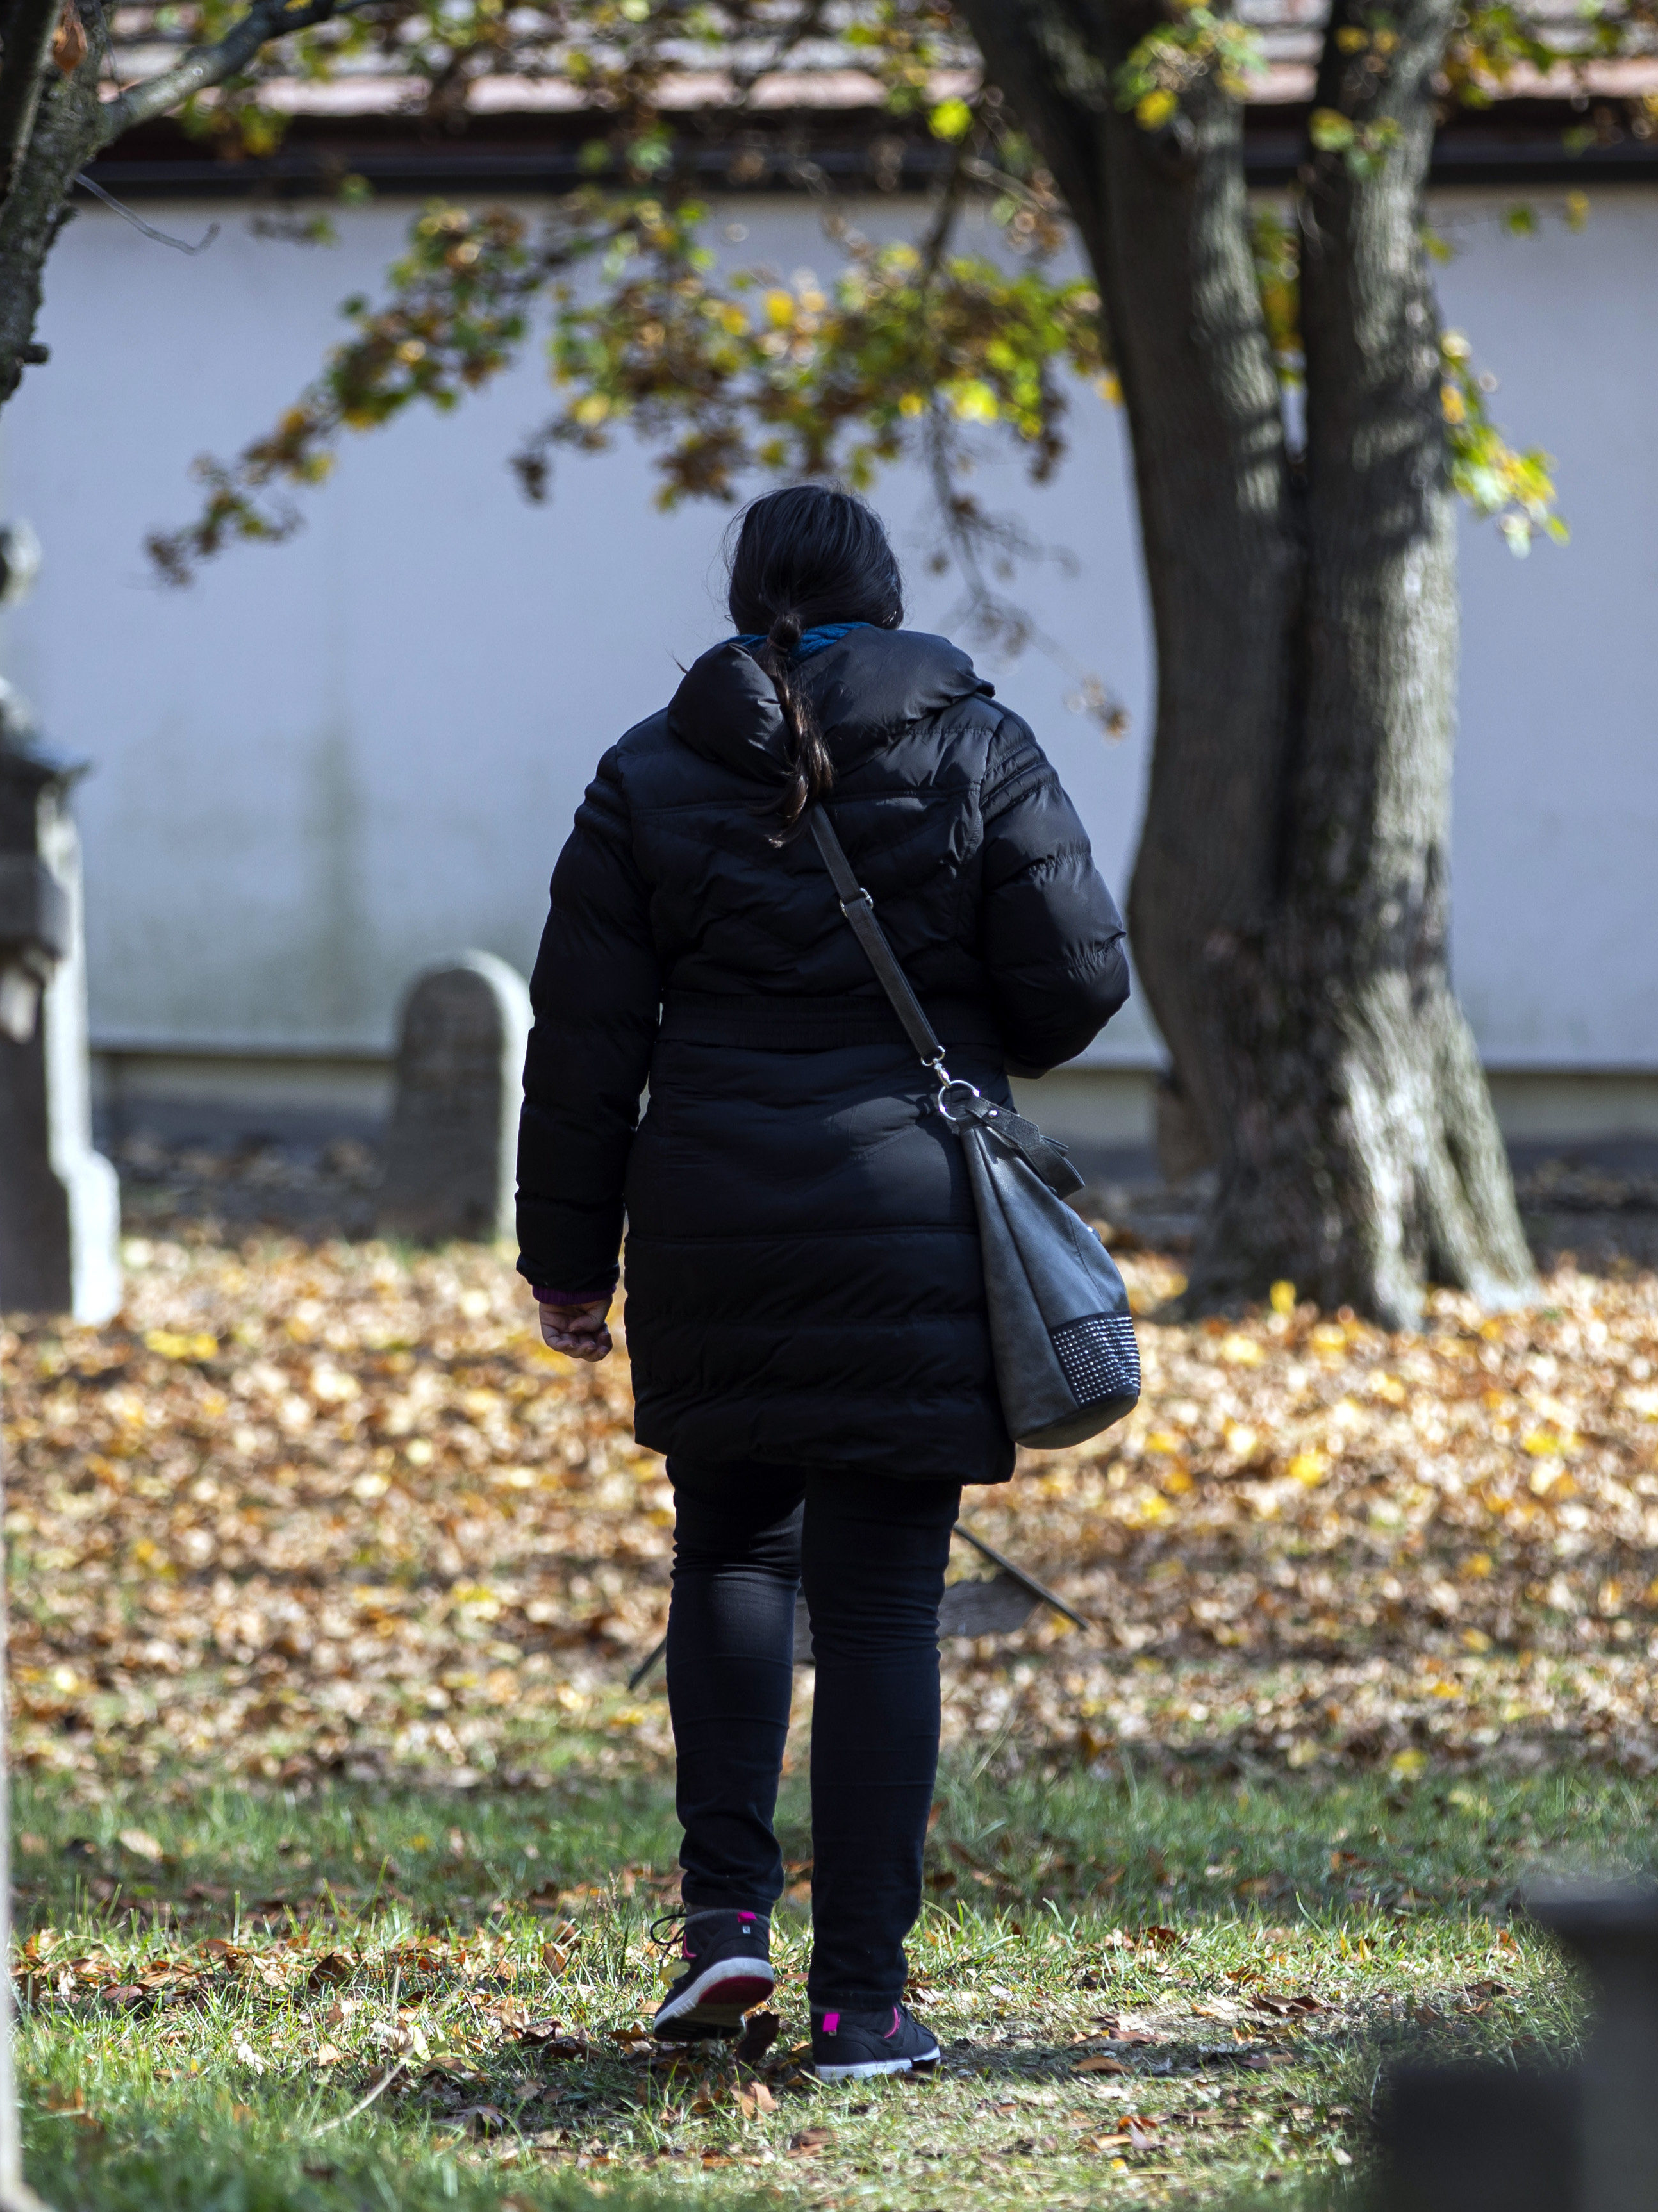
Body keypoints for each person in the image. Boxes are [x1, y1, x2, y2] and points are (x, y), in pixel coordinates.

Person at [515, 484, 1132, 2080]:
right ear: (888, 592)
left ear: (740, 602)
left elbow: (583, 1046)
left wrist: (567, 1265)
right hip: (909, 1214)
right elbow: (1076, 984)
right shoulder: (974, 742)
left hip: (713, 1211)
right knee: (875, 1607)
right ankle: (863, 2000)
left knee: (729, 1552)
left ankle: (723, 1928)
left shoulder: (648, 769)